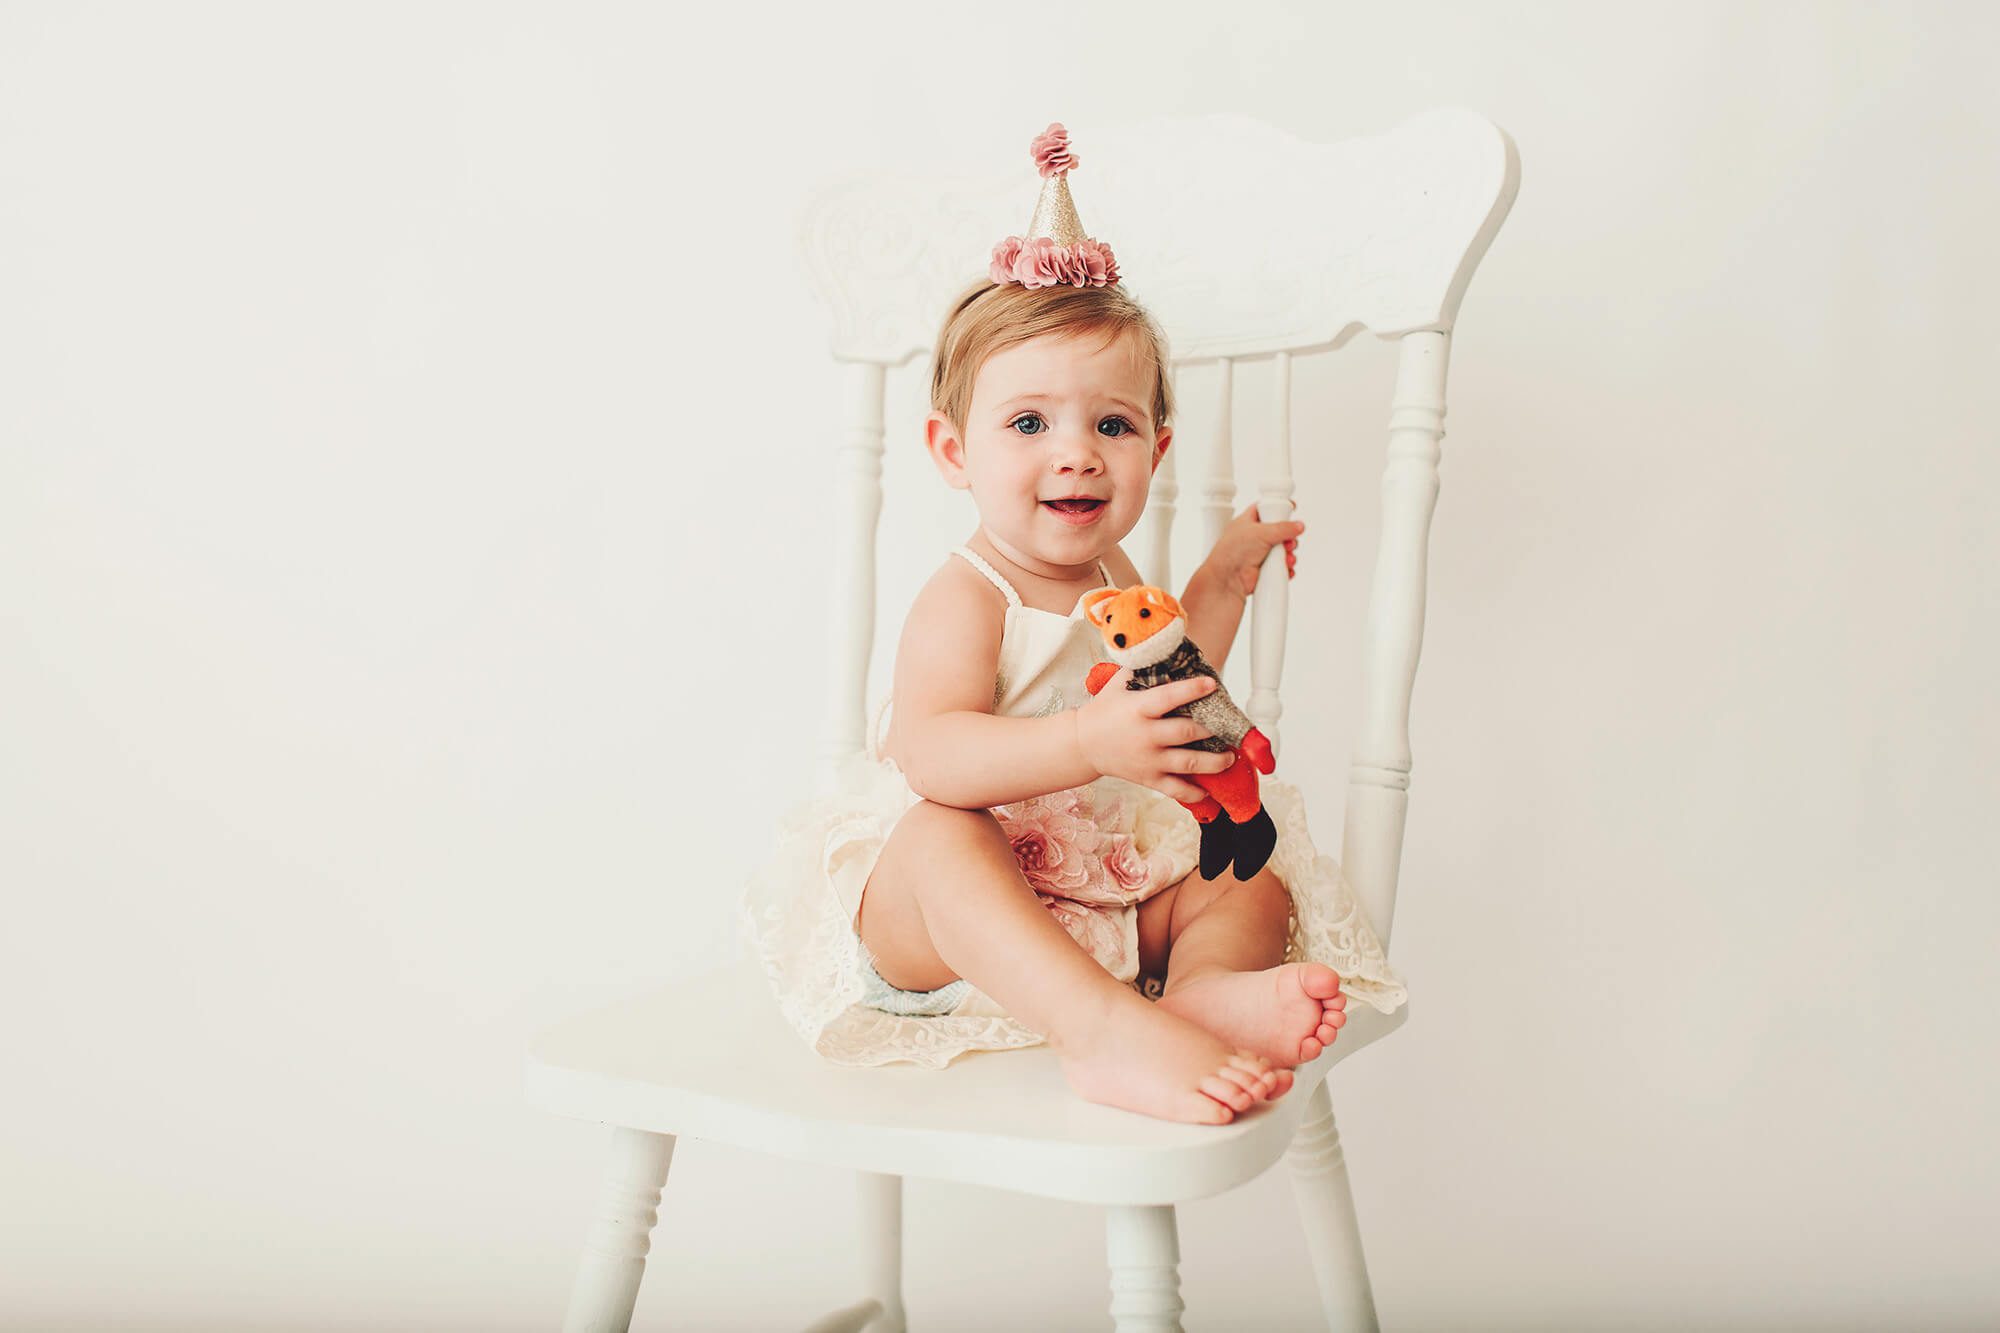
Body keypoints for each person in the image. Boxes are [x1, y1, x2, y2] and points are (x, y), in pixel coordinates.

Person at [741, 124, 1405, 1125]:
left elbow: (1169, 690)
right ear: (951, 450)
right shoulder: (964, 596)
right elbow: (933, 756)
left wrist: (1218, 585)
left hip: (1102, 893)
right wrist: (1084, 740)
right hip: (958, 932)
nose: (1077, 454)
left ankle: (1197, 992)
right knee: (935, 834)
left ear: (1155, 445)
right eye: (1026, 423)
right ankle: (1099, 1033)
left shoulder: (1113, 573)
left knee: (1245, 871)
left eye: (1111, 423)